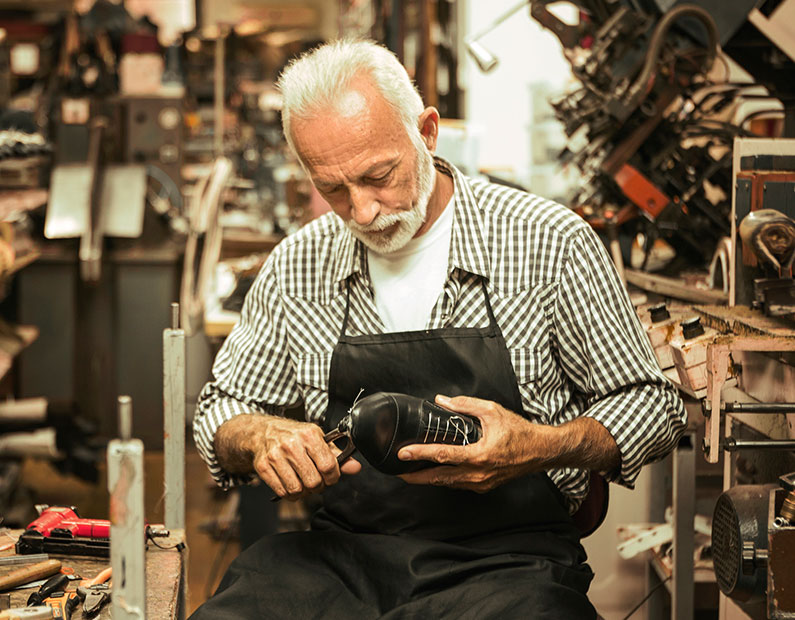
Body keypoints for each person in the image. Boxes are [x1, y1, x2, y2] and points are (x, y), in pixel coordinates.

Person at [191, 39, 686, 619]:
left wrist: (540, 446)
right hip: (345, 559)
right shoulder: (298, 264)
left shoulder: (548, 242)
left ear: (426, 132)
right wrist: (260, 436)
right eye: (332, 190)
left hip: (507, 565)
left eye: (379, 176)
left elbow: (653, 404)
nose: (364, 212)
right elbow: (219, 413)